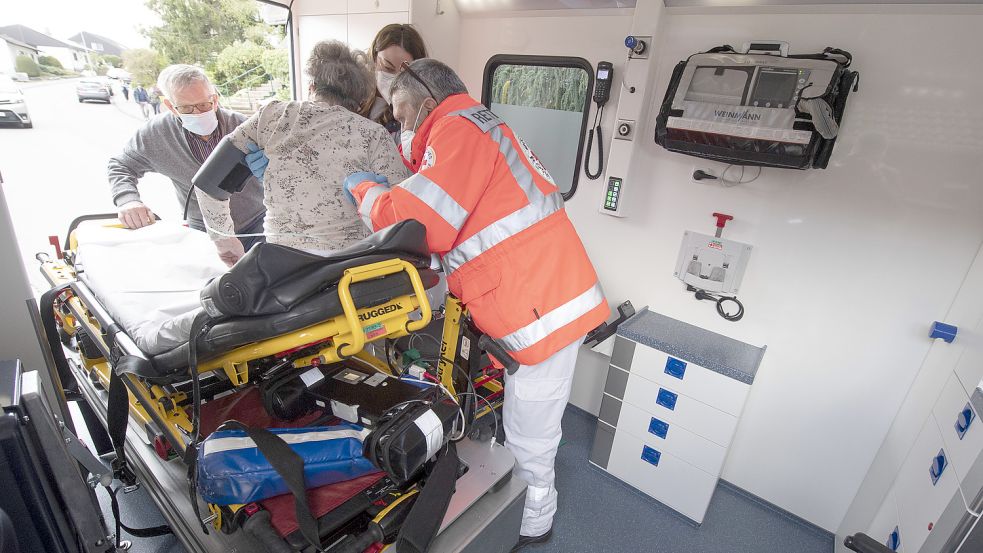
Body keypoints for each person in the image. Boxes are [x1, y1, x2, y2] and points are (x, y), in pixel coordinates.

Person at [345, 59, 608, 550]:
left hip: (540, 307)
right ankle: (516, 490)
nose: (400, 126)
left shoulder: (458, 130)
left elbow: (421, 223)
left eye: (401, 115)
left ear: (426, 102)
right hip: (540, 292)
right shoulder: (480, 126)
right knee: (526, 416)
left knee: (533, 427)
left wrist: (366, 191)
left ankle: (533, 522)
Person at [194, 40, 409, 260]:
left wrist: (227, 244)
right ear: (361, 101)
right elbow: (404, 213)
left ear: (312, 87)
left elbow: (209, 184)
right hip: (351, 266)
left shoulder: (272, 116)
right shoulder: (372, 134)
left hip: (283, 265)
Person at [107, 64, 266, 262]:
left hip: (257, 224)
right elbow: (120, 165)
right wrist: (128, 200)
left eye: (204, 105)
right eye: (186, 108)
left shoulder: (243, 127)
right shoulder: (156, 135)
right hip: (204, 232)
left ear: (215, 99)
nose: (198, 113)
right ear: (171, 106)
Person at [367, 24, 428, 135]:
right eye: (388, 68)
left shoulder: (416, 115)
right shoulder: (355, 99)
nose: (394, 80)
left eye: (403, 73)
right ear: (373, 58)